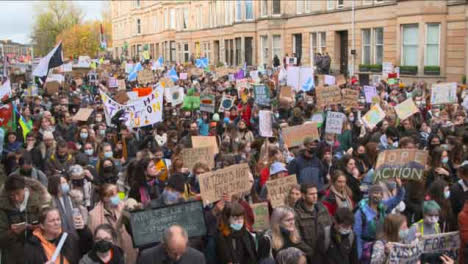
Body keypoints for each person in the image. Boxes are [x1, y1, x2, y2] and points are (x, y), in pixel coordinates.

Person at [0, 175, 51, 264]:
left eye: (18, 193)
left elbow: (51, 230)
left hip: (37, 255)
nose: (15, 198)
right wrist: (13, 232)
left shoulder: (41, 202)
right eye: (11, 195)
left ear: (25, 189)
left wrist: (40, 227)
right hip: (12, 258)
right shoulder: (3, 208)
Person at [354, 180, 405, 258]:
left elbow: (398, 198)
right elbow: (357, 236)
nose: (378, 195)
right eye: (375, 193)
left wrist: (399, 186)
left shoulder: (383, 206)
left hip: (381, 248)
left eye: (381, 194)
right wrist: (359, 256)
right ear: (369, 194)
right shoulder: (360, 213)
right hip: (367, 251)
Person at [88, 184, 138, 264]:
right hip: (110, 255)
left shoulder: (123, 206)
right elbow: (92, 240)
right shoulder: (93, 215)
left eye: (117, 193)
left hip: (128, 250)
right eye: (114, 195)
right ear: (105, 198)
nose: (118, 196)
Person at [24, 207, 93, 264]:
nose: (56, 223)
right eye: (52, 221)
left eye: (58, 219)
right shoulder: (32, 246)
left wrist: (83, 230)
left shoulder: (69, 237)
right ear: (42, 225)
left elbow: (87, 249)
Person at [294, 184, 332, 258]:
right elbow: (297, 239)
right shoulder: (296, 214)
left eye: (316, 193)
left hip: (325, 254)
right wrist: (312, 253)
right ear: (303, 196)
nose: (315, 196)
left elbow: (330, 228)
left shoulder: (323, 209)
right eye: (311, 194)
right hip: (309, 256)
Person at [138, 225, 206, 264]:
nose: (178, 257)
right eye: (174, 253)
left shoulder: (198, 258)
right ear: (164, 244)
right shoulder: (147, 258)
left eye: (182, 252)